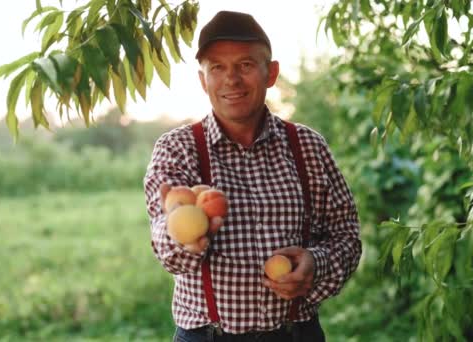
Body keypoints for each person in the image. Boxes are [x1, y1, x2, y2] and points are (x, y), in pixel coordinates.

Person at [143, 10, 362, 342]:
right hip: (207, 336)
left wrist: (315, 264)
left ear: (270, 73)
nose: (231, 79)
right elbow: (165, 242)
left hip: (296, 334)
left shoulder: (308, 147)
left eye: (245, 65)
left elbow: (346, 236)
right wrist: (185, 239)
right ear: (203, 80)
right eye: (217, 67)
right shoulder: (178, 148)